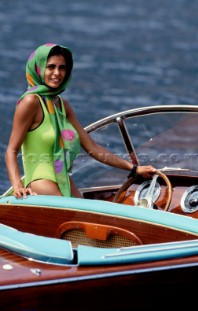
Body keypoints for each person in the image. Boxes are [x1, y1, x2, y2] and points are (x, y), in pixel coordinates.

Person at [5, 43, 156, 199]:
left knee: (92, 218)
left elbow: (92, 147)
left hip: (64, 181)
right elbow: (11, 150)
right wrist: (18, 186)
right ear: (38, 69)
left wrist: (133, 169)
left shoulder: (63, 105)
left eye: (62, 68)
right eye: (50, 67)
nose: (57, 73)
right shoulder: (31, 102)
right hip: (40, 182)